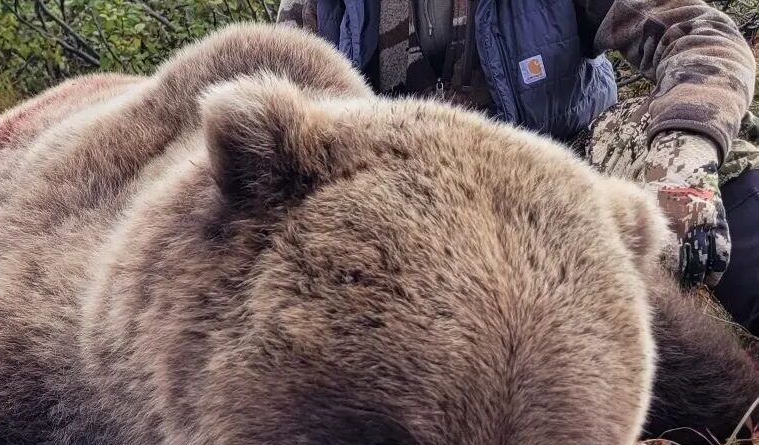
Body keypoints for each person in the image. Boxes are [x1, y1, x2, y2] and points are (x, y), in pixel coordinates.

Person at [277, 0, 759, 333]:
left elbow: (700, 33)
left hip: (563, 166)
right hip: (402, 207)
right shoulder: (320, 7)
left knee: (705, 150)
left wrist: (686, 153)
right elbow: (281, 126)